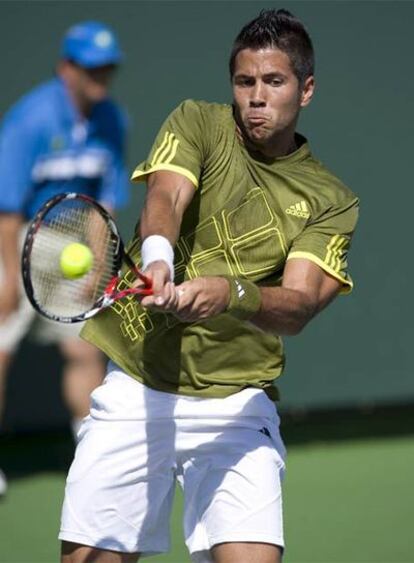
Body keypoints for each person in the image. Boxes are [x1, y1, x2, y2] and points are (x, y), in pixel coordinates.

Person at [59, 9, 359, 563]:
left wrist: (230, 293)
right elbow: (165, 198)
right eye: (245, 82)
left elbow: (297, 308)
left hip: (237, 406)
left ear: (306, 88)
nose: (256, 97)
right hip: (138, 387)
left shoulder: (330, 200)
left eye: (274, 81)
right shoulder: (198, 121)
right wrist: (158, 260)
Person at [0, 21, 128, 494]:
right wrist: (10, 278)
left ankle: (91, 451)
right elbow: (7, 208)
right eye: (91, 68)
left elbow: (105, 203)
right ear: (66, 68)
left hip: (75, 240)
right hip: (14, 239)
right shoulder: (29, 120)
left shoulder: (113, 119)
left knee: (85, 347)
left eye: (107, 68)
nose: (101, 77)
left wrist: (98, 263)